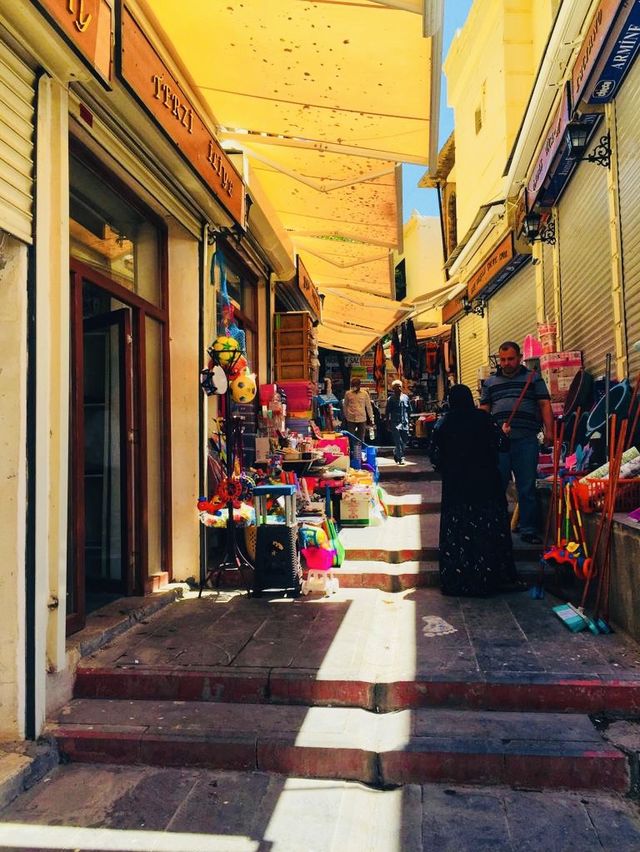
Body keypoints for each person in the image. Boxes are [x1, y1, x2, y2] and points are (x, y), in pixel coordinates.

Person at [431, 384, 519, 596]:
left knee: (460, 533)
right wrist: (505, 433)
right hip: (486, 485)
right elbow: (502, 445)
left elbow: (435, 459)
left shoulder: (443, 423)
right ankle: (489, 579)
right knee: (486, 530)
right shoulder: (485, 419)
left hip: (456, 488)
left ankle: (459, 581)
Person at [479, 341, 553, 545]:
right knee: (497, 485)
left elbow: (545, 404)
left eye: (510, 359)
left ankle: (529, 529)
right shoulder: (490, 383)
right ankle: (498, 527)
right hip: (498, 443)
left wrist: (550, 432)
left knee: (526, 486)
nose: (506, 363)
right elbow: (484, 410)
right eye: (503, 359)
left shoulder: (533, 378)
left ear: (519, 358)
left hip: (526, 440)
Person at [342, 377, 374, 444]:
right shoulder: (348, 393)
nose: (353, 387)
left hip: (362, 419)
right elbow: (345, 406)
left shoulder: (364, 394)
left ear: (359, 385)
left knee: (361, 438)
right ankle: (351, 451)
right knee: (351, 437)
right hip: (350, 419)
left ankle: (360, 451)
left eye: (355, 385)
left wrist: (371, 418)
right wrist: (346, 416)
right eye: (352, 385)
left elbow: (368, 406)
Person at [386, 379, 411, 464]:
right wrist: (388, 423)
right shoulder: (391, 399)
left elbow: (409, 410)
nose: (399, 388)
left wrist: (410, 421)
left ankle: (396, 452)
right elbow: (387, 412)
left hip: (405, 422)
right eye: (397, 387)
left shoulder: (406, 397)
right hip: (395, 422)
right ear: (393, 389)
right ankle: (401, 458)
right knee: (398, 441)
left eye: (400, 386)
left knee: (404, 441)